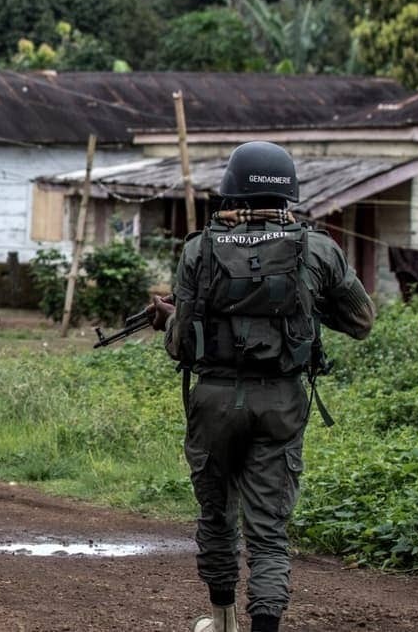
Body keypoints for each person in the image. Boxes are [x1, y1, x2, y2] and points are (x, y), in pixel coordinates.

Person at [146, 142, 375, 632]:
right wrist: (307, 307)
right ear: (288, 193)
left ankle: (222, 622)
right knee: (268, 532)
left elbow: (181, 345)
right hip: (281, 402)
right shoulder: (317, 248)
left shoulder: (198, 249)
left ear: (229, 192)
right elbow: (361, 322)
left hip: (213, 402)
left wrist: (167, 320)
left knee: (216, 516)